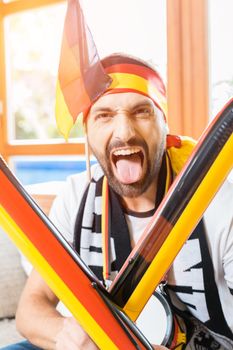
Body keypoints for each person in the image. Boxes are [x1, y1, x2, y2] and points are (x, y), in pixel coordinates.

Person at [2, 54, 233, 350]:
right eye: (104, 115)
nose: (124, 132)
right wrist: (67, 335)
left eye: (141, 112)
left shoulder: (217, 202)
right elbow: (31, 309)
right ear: (88, 132)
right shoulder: (77, 195)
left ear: (164, 124)